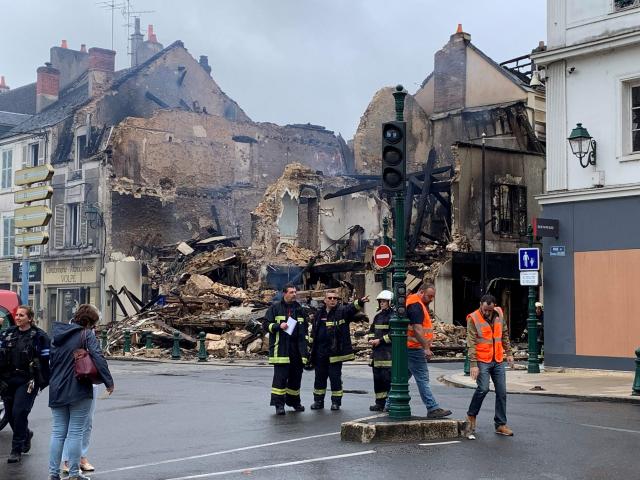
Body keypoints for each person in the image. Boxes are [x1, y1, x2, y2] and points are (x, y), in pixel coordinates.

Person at [48, 304, 114, 480]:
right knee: (76, 431)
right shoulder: (86, 335)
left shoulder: (57, 335)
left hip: (57, 389)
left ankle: (53, 474)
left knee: (57, 432)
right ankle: (74, 473)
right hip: (78, 387)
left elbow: (50, 362)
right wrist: (108, 381)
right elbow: (98, 357)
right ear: (90, 323)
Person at [0, 305, 51, 463]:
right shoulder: (8, 334)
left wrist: (41, 382)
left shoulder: (39, 337)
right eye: (17, 315)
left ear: (30, 318)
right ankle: (26, 434)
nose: (17, 317)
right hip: (8, 380)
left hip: (27, 380)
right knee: (9, 415)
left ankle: (16, 449)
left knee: (19, 412)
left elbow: (46, 362)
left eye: (22, 315)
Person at [309, 290, 369, 411]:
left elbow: (351, 308)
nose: (332, 300)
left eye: (335, 298)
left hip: (334, 353)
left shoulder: (342, 311)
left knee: (335, 378)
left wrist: (360, 302)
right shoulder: (319, 314)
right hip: (320, 352)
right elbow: (314, 333)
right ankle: (318, 401)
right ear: (325, 300)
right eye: (330, 298)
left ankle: (336, 402)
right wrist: (310, 349)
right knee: (319, 378)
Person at [466, 294, 514, 436]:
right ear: (481, 304)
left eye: (490, 310)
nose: (487, 312)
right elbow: (471, 342)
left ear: (494, 306)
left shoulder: (499, 313)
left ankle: (500, 424)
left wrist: (509, 353)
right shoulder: (473, 318)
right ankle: (471, 415)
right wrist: (473, 364)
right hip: (482, 360)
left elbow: (504, 334)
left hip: (497, 359)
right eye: (485, 309)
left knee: (502, 392)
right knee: (483, 388)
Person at [405, 284, 451, 418]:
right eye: (429, 296)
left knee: (404, 376)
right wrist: (426, 347)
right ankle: (432, 408)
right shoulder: (416, 305)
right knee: (423, 379)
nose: (431, 299)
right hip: (415, 348)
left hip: (410, 347)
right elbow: (418, 330)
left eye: (433, 297)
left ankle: (389, 404)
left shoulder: (414, 302)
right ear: (421, 292)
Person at [262, 284, 309, 415]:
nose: (294, 294)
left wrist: (306, 349)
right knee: (280, 379)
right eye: (291, 292)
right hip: (281, 349)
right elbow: (265, 325)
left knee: (296, 378)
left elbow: (304, 330)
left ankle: (294, 402)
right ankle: (279, 405)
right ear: (284, 294)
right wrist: (278, 325)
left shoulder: (299, 309)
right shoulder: (275, 308)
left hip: (296, 349)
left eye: (295, 292)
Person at [368, 290, 393, 411]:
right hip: (377, 354)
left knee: (387, 380)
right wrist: (371, 338)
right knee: (378, 380)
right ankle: (380, 403)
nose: (382, 303)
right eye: (380, 301)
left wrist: (380, 341)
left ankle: (389, 403)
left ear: (390, 302)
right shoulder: (378, 316)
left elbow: (393, 334)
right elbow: (372, 330)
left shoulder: (393, 317)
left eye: (384, 301)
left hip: (388, 354)